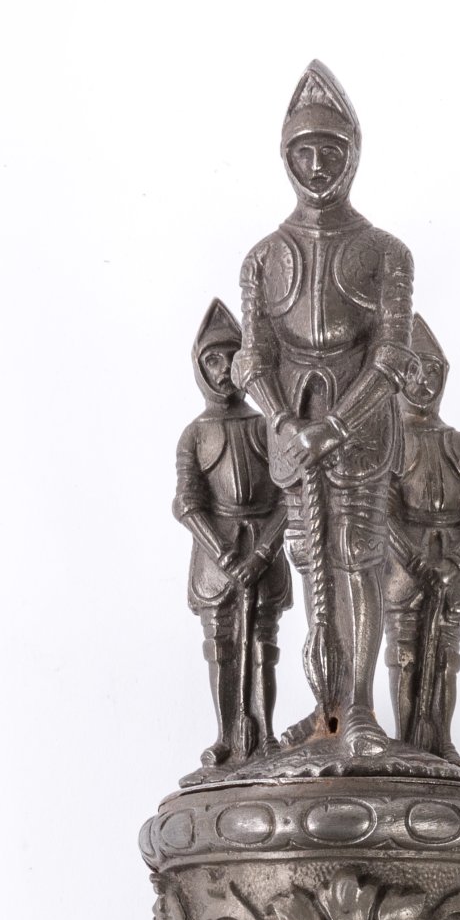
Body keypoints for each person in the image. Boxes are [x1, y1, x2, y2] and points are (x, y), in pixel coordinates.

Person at [233, 63, 418, 760]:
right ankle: (326, 711)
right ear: (286, 157)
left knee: (357, 559)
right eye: (304, 152)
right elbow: (252, 358)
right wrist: (286, 423)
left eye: (330, 152)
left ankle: (359, 709)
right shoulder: (263, 259)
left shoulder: (384, 253)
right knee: (313, 562)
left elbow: (392, 355)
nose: (317, 166)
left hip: (359, 430)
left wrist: (336, 427)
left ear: (353, 155)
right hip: (293, 429)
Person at [173, 299, 289, 766]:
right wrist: (222, 552)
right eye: (213, 361)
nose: (223, 370)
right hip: (215, 553)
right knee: (220, 647)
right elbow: (187, 503)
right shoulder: (194, 435)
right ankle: (226, 735)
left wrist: (262, 552)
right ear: (199, 369)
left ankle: (265, 732)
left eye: (231, 358)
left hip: (263, 546)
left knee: (263, 646)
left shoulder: (266, 426)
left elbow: (288, 496)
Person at [384, 317, 460, 767]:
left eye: (432, 372)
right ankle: (407, 741)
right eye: (415, 371)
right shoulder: (389, 443)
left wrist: (456, 556)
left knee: (447, 656)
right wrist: (411, 557)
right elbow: (380, 510)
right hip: (403, 566)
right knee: (405, 654)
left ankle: (442, 742)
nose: (424, 382)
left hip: (453, 562)